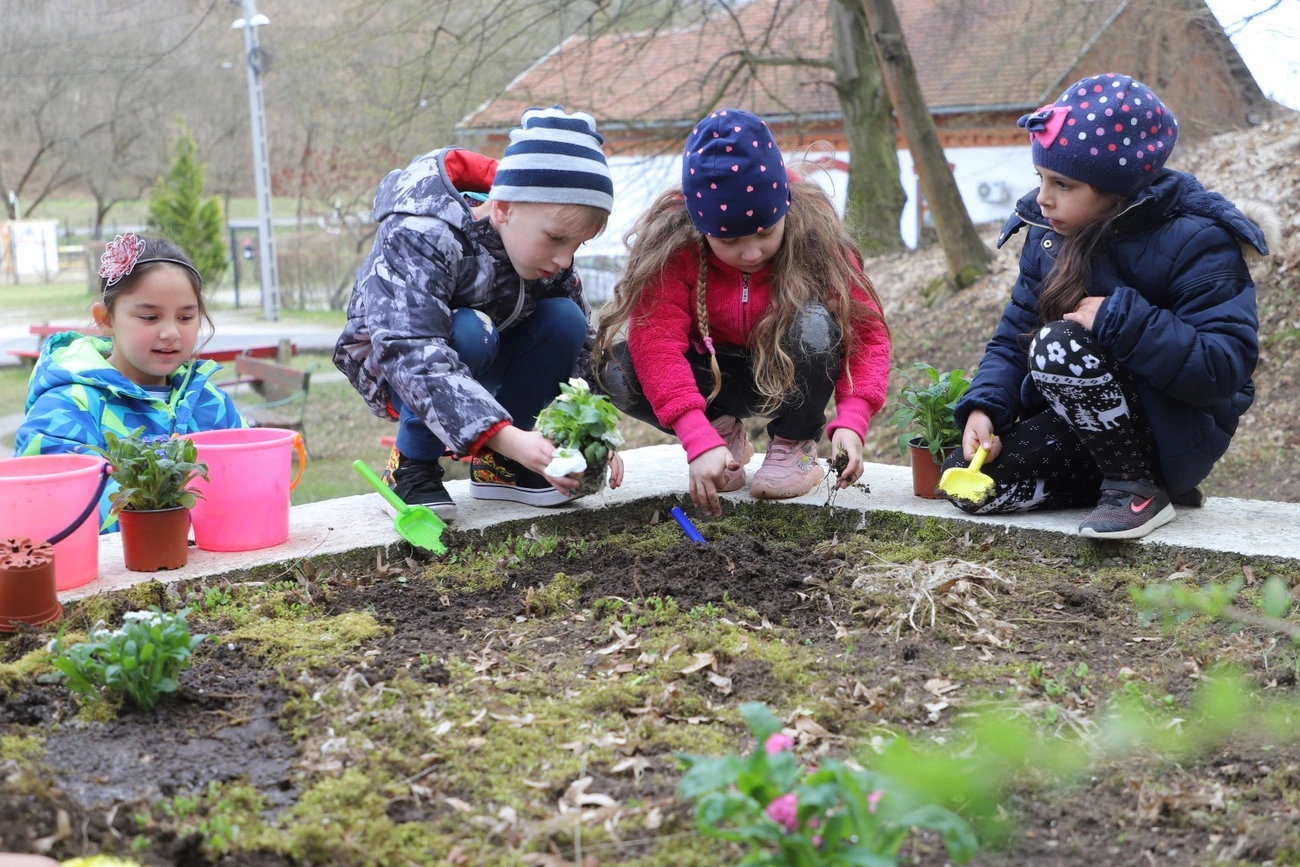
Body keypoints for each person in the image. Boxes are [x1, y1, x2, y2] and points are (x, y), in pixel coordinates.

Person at [943, 73, 1271, 540]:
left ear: (1116, 187)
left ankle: (1139, 488)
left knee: (1058, 344)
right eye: (1041, 178)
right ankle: (1123, 485)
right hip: (1082, 425)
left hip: (1172, 430)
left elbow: (1225, 367)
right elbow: (1013, 338)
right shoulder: (1048, 237)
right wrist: (986, 408)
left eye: (1063, 184)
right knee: (973, 486)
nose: (1043, 198)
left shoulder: (1197, 240)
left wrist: (1124, 323)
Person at [594, 108, 891, 516]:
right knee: (616, 371)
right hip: (711, 378)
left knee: (816, 325)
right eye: (729, 241)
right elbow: (656, 343)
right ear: (701, 228)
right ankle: (720, 435)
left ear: (783, 209)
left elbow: (866, 331)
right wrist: (696, 435)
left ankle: (795, 444)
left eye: (766, 232)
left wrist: (854, 418)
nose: (751, 253)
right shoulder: (674, 247)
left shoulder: (815, 236)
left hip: (788, 373)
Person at [334, 105, 624, 520]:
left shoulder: (542, 251)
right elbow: (410, 348)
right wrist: (508, 436)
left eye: (577, 245)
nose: (565, 259)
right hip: (399, 365)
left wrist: (594, 431)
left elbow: (583, 351)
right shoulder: (422, 230)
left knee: (566, 321)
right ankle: (409, 465)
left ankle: (501, 467)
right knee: (471, 330)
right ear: (503, 208)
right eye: (557, 239)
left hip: (485, 359)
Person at [15, 233, 245, 532]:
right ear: (105, 318)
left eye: (186, 317)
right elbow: (47, 502)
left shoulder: (211, 402)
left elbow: (252, 478)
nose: (170, 333)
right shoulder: (69, 405)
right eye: (149, 317)